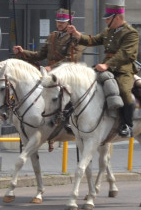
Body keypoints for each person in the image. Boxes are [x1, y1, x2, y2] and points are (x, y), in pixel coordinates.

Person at [12, 8, 86, 152]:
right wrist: (22, 52)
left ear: (69, 22)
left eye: (63, 22)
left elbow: (72, 59)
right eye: (58, 21)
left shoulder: (76, 38)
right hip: (49, 72)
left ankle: (71, 120)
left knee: (65, 92)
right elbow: (40, 54)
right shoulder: (52, 36)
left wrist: (52, 68)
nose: (59, 24)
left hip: (68, 72)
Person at [66, 3, 139, 138]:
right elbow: (93, 40)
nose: (106, 21)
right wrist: (77, 34)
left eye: (108, 18)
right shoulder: (108, 31)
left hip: (123, 69)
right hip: (106, 66)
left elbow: (124, 53)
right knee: (84, 85)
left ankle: (127, 125)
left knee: (124, 91)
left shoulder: (131, 33)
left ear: (117, 17)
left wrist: (107, 65)